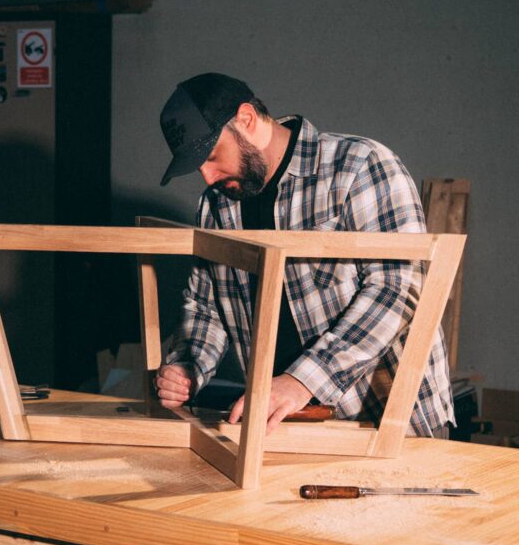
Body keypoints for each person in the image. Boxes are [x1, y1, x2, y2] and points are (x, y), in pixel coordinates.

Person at [154, 73, 453, 437]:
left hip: (390, 420)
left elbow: (399, 290)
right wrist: (188, 367)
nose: (208, 177)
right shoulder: (216, 206)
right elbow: (206, 305)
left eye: (213, 156)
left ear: (246, 119)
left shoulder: (359, 166)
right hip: (285, 423)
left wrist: (302, 381)